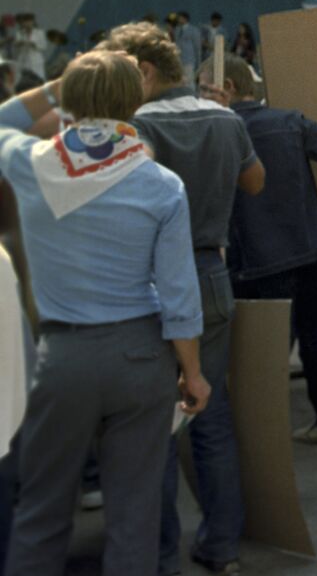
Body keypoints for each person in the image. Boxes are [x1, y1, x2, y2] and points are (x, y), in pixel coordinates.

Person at [0, 52, 210, 575]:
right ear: (134, 100)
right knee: (134, 519)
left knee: (41, 511)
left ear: (68, 98)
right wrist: (193, 373)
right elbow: (179, 295)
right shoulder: (160, 183)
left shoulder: (31, 165)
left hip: (63, 357)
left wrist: (59, 86)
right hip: (140, 357)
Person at [99, 22, 264, 576]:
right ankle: (223, 546)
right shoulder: (225, 118)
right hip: (213, 274)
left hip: (150, 279)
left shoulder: (137, 126)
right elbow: (255, 182)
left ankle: (160, 554)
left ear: (144, 72)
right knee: (211, 415)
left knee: (155, 424)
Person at [198, 53, 317, 445]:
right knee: (316, 335)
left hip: (252, 259)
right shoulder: (290, 121)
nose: (199, 96)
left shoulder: (216, 131)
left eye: (203, 88)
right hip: (308, 248)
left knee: (259, 353)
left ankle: (264, 437)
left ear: (227, 87)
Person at [172, 12, 202, 85]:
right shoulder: (177, 30)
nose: (179, 20)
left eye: (180, 18)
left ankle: (191, 92)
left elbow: (197, 46)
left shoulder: (193, 30)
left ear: (185, 19)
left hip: (189, 59)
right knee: (180, 80)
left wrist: (198, 61)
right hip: (179, 59)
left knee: (189, 80)